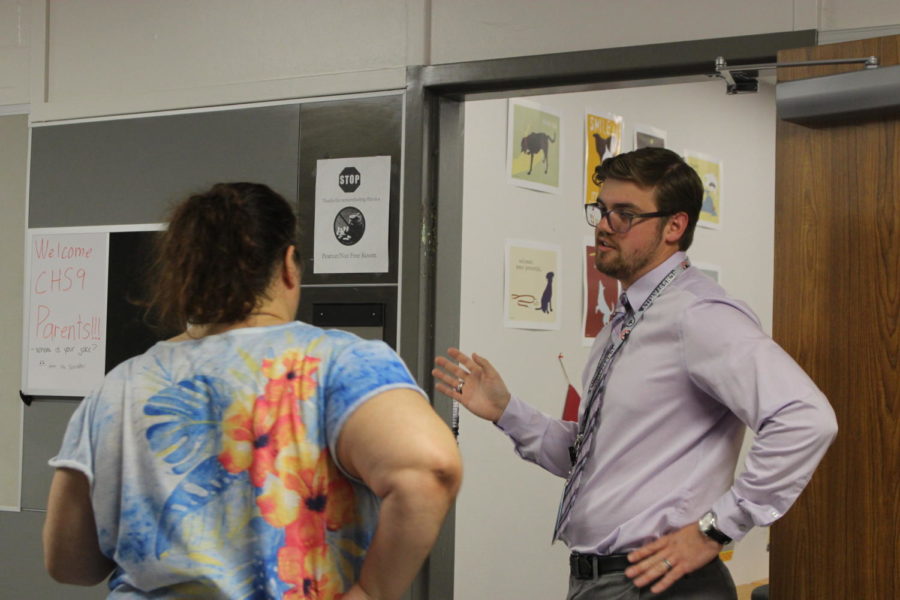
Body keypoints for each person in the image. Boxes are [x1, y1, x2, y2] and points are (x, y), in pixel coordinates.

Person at [433, 148, 837, 599]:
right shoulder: (625, 322)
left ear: (675, 226)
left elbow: (805, 418)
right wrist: (507, 412)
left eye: (624, 214)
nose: (605, 225)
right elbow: (593, 461)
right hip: (604, 581)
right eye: (602, 210)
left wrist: (716, 529)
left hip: (662, 585)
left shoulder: (698, 315)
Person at [44, 182, 462, 600]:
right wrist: (371, 592)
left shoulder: (119, 386)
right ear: (287, 266)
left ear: (185, 275)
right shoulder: (337, 362)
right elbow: (429, 469)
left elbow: (68, 563)